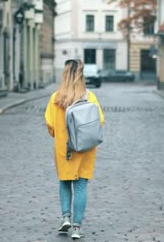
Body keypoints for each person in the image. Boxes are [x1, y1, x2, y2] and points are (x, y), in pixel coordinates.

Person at [44, 59, 104, 239]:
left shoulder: (56, 98)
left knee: (64, 182)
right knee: (80, 186)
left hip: (64, 148)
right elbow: (99, 120)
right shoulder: (89, 96)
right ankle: (77, 227)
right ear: (81, 75)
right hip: (85, 148)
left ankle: (65, 218)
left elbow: (50, 125)